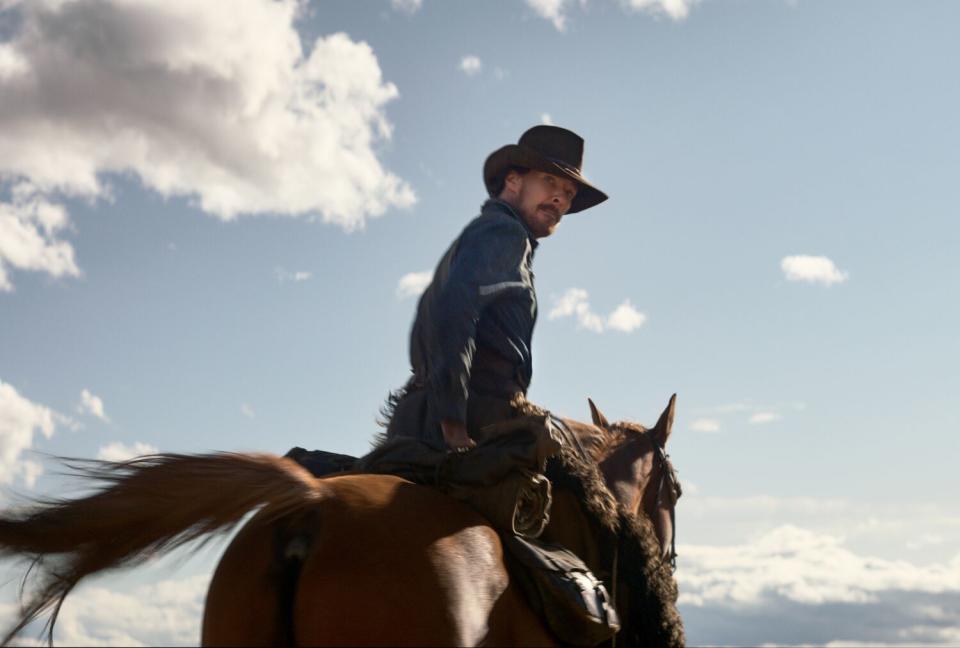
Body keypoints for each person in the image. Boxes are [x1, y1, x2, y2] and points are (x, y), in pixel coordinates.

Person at [385, 125, 608, 450]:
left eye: (569, 193)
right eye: (549, 181)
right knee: (586, 489)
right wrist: (454, 424)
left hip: (423, 410)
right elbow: (455, 314)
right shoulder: (505, 233)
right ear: (513, 181)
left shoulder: (485, 234)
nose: (560, 199)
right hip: (474, 417)